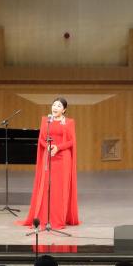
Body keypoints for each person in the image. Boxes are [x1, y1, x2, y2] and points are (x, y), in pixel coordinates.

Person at [21, 98, 79, 229]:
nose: (55, 107)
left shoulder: (69, 122)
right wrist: (47, 146)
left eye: (59, 106)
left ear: (64, 110)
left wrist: (58, 147)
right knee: (47, 188)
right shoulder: (46, 120)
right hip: (49, 156)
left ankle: (59, 219)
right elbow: (41, 139)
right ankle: (45, 218)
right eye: (54, 105)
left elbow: (72, 141)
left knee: (60, 189)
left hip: (63, 158)